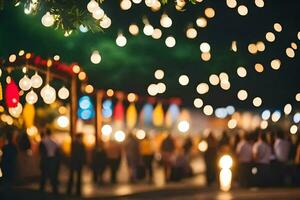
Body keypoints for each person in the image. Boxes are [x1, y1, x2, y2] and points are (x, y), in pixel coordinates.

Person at [39, 128, 60, 194]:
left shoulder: (43, 141)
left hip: (45, 159)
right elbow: (58, 152)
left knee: (44, 175)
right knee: (53, 176)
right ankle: (55, 190)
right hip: (53, 160)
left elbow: (41, 152)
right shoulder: (55, 142)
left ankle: (41, 190)